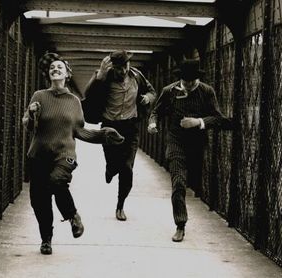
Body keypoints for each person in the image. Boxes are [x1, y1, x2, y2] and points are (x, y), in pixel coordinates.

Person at [22, 52, 124, 255]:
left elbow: (80, 131)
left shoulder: (74, 101)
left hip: (64, 154)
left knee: (57, 181)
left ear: (67, 73)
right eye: (52, 68)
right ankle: (46, 240)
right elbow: (29, 127)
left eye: (59, 67)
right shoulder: (39, 96)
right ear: (49, 74)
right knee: (39, 201)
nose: (55, 69)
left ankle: (73, 216)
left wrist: (103, 135)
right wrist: (31, 113)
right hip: (39, 154)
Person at [148, 58, 232, 242]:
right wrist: (153, 123)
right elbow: (156, 111)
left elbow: (219, 119)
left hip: (196, 144)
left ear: (197, 80)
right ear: (180, 80)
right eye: (185, 82)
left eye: (192, 82)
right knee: (178, 182)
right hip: (176, 141)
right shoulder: (169, 91)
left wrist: (198, 122)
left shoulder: (206, 91)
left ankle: (194, 191)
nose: (188, 85)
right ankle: (180, 224)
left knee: (192, 181)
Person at [82, 50, 156, 221]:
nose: (121, 71)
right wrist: (99, 76)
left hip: (130, 127)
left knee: (127, 168)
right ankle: (110, 168)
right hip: (109, 127)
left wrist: (147, 98)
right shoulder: (104, 77)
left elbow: (152, 92)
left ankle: (120, 206)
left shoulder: (137, 76)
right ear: (112, 67)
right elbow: (88, 95)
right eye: (117, 68)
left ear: (128, 64)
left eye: (124, 66)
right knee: (113, 162)